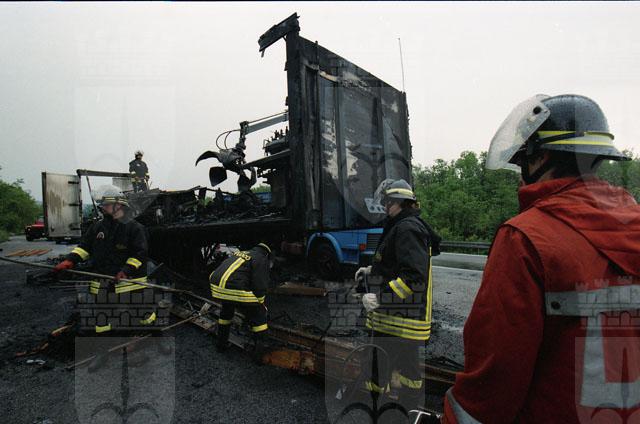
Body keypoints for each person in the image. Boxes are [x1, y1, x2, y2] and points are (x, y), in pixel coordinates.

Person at [443, 94, 640, 423]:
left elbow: (492, 385)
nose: (521, 175)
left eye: (523, 161)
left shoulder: (525, 239)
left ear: (542, 156)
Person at [354, 179, 441, 411]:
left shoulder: (407, 228)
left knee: (381, 368)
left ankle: (384, 410)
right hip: (397, 320)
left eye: (388, 203)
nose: (384, 207)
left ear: (399, 202)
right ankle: (401, 410)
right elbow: (396, 264)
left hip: (399, 321)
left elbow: (413, 278)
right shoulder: (402, 225)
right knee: (402, 369)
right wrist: (372, 270)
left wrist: (379, 298)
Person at [54, 185, 155, 335]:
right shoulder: (98, 227)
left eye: (106, 204)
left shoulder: (134, 228)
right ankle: (106, 336)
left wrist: (126, 270)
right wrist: (70, 260)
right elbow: (84, 248)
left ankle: (149, 330)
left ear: (118, 205)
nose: (102, 207)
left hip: (130, 282)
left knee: (141, 312)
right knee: (103, 315)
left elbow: (140, 253)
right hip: (102, 280)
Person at [209, 243, 272, 361]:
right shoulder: (261, 258)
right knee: (259, 318)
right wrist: (260, 303)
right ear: (267, 254)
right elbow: (259, 285)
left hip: (216, 286)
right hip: (234, 288)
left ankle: (221, 345)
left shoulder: (242, 253)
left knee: (226, 313)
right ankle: (260, 356)